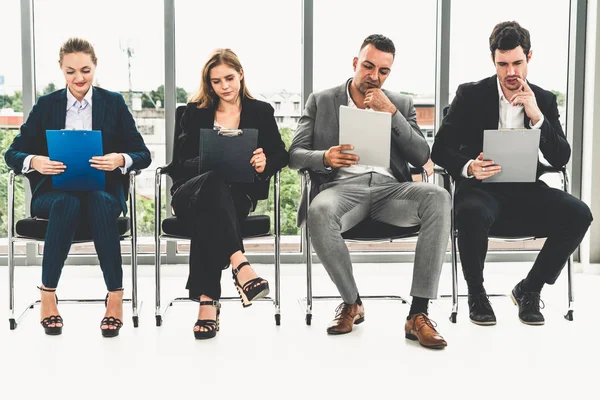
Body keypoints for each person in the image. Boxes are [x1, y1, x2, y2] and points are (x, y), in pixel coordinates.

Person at [289, 34, 450, 349]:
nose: (374, 76)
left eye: (383, 71)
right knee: (319, 211)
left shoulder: (400, 104)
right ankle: (352, 303)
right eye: (368, 66)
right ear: (355, 63)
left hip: (391, 191)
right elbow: (295, 154)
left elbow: (421, 157)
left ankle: (418, 314)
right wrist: (324, 157)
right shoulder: (321, 101)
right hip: (341, 189)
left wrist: (391, 113)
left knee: (439, 197)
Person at [432, 21, 593, 326]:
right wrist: (469, 166)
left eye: (517, 63)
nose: (510, 73)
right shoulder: (470, 94)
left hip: (525, 192)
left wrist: (537, 118)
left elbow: (561, 157)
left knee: (579, 213)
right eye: (502, 64)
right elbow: (439, 149)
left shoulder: (543, 100)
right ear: (493, 61)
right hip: (480, 190)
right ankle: (477, 294)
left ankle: (529, 289)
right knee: (471, 211)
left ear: (529, 58)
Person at [4, 37, 151, 337]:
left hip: (104, 194)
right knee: (67, 202)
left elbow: (142, 154)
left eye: (85, 69)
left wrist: (119, 159)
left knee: (96, 200)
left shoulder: (113, 103)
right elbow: (13, 153)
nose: (79, 78)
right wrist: (36, 161)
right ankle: (48, 295)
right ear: (61, 69)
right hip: (54, 195)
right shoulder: (47, 106)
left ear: (95, 66)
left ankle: (115, 297)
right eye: (71, 71)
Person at [166, 48, 288, 340]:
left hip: (235, 198)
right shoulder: (194, 113)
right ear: (209, 84)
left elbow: (280, 154)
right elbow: (180, 162)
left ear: (241, 74)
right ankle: (240, 265)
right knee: (212, 183)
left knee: (211, 213)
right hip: (190, 192)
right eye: (216, 81)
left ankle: (208, 303)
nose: (225, 87)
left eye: (229, 78)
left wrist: (264, 162)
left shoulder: (260, 111)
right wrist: (213, 161)